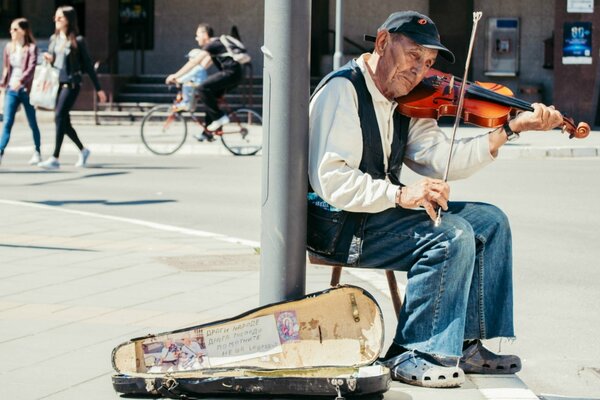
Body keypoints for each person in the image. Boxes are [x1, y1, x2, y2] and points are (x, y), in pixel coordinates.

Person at [307, 11, 564, 388]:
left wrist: (508, 129)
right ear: (382, 43)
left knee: (489, 221)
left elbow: (440, 160)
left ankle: (465, 343)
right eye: (414, 56)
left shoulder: (408, 99)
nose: (420, 71)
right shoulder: (342, 90)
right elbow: (333, 181)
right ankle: (412, 351)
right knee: (451, 235)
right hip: (338, 226)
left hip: (376, 214)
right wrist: (402, 193)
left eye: (428, 63)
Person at [38, 5, 107, 170]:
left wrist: (99, 89)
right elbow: (56, 62)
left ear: (69, 20)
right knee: (63, 121)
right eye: (55, 17)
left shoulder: (78, 41)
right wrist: (49, 58)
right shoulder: (54, 39)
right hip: (57, 84)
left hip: (72, 84)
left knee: (59, 116)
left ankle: (55, 157)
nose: (56, 20)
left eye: (60, 18)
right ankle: (83, 150)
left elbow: (89, 66)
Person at [166, 23, 244, 142]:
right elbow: (201, 66)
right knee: (209, 97)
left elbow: (194, 63)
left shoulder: (212, 44)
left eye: (197, 35)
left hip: (231, 74)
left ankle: (219, 117)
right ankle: (208, 132)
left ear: (205, 34)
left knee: (202, 88)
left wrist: (175, 75)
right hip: (234, 75)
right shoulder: (215, 47)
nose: (196, 38)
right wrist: (183, 79)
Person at [0, 18, 42, 167]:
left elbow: (31, 69)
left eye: (15, 29)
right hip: (11, 89)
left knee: (32, 122)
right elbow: (6, 69)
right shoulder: (8, 47)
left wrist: (21, 81)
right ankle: (0, 152)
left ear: (23, 31)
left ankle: (37, 152)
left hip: (26, 91)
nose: (11, 32)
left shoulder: (31, 48)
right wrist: (3, 84)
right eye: (11, 29)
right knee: (7, 123)